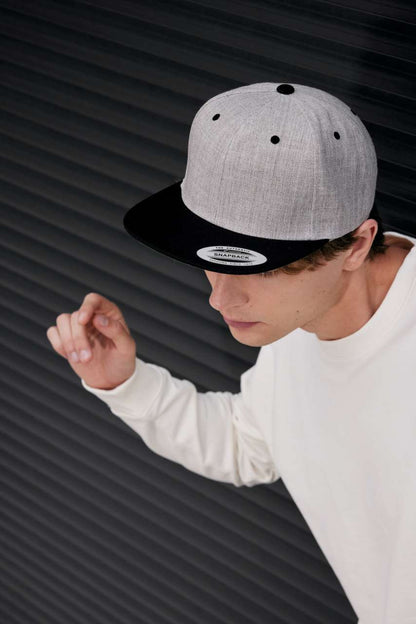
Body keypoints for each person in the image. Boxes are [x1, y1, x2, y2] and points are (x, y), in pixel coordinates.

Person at [46, 83, 416, 623]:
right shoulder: (301, 316)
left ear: (357, 245)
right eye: (209, 262)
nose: (220, 298)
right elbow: (252, 442)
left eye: (261, 270)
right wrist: (125, 382)